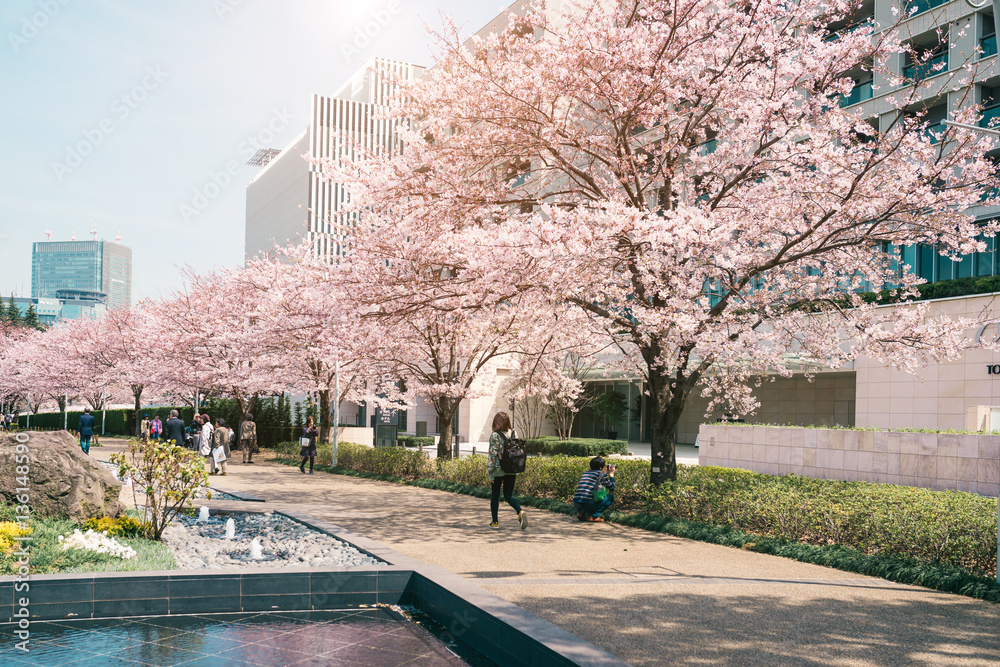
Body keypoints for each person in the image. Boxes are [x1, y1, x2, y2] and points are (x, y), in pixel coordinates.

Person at [486, 411, 526, 530]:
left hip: (498, 469)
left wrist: (490, 473)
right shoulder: (514, 433)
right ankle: (520, 511)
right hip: (512, 469)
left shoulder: (495, 435)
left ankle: (495, 522)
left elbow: (492, 455)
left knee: (495, 495)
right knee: (508, 495)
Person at [573, 456, 616, 522]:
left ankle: (580, 513)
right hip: (588, 504)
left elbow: (596, 477)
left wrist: (604, 473)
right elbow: (612, 488)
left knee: (586, 498)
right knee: (610, 497)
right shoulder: (601, 474)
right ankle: (593, 516)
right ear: (600, 468)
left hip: (577, 503)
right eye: (604, 466)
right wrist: (611, 475)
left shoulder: (586, 472)